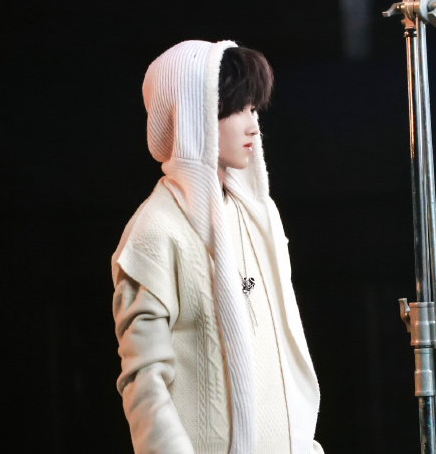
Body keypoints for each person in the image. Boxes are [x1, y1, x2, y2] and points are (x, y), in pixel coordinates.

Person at [111, 39, 323, 454]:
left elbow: (284, 353)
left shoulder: (259, 215)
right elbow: (145, 384)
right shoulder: (155, 231)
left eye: (253, 108)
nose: (253, 125)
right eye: (237, 109)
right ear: (194, 115)